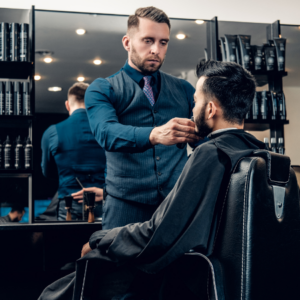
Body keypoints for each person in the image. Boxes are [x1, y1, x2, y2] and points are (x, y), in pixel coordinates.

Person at [38, 60, 267, 300]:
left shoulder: (210, 154)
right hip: (230, 280)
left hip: (190, 276)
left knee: (57, 291)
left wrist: (100, 239)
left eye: (196, 101)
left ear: (210, 109)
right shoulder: (259, 153)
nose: (191, 110)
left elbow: (160, 235)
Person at [83, 6, 201, 230]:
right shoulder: (102, 88)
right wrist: (154, 134)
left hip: (175, 204)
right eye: (148, 40)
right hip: (124, 206)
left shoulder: (184, 89)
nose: (156, 49)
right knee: (120, 265)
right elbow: (106, 133)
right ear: (127, 43)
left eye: (163, 42)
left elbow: (205, 136)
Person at [41, 83, 106, 221]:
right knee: (102, 241)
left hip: (69, 204)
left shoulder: (52, 132)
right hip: (102, 202)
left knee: (68, 242)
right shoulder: (106, 131)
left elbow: (47, 171)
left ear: (67, 105)